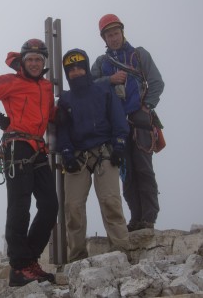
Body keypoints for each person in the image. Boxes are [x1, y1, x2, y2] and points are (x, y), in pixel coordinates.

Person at [0, 39, 59, 287]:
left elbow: (50, 116)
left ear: (44, 62)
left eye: (39, 60)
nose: (35, 63)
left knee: (50, 205)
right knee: (20, 205)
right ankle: (19, 268)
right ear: (23, 61)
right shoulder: (11, 82)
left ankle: (29, 261)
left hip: (38, 148)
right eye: (30, 59)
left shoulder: (47, 87)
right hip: (16, 145)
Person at [91, 14, 165, 232]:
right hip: (116, 126)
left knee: (144, 170)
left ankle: (148, 219)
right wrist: (109, 80)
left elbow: (156, 82)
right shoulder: (101, 63)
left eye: (115, 33)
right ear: (103, 38)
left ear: (122, 32)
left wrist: (147, 106)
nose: (113, 38)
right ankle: (135, 219)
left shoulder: (139, 55)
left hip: (140, 122)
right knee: (127, 173)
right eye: (109, 35)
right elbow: (90, 88)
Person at [56, 48, 130, 263]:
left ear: (86, 68)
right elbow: (62, 130)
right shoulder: (65, 100)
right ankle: (77, 258)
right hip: (77, 158)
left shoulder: (103, 90)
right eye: (71, 69)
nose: (76, 71)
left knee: (111, 202)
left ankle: (121, 252)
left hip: (104, 152)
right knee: (73, 207)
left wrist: (119, 146)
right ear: (67, 73)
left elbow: (118, 119)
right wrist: (67, 152)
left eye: (80, 67)